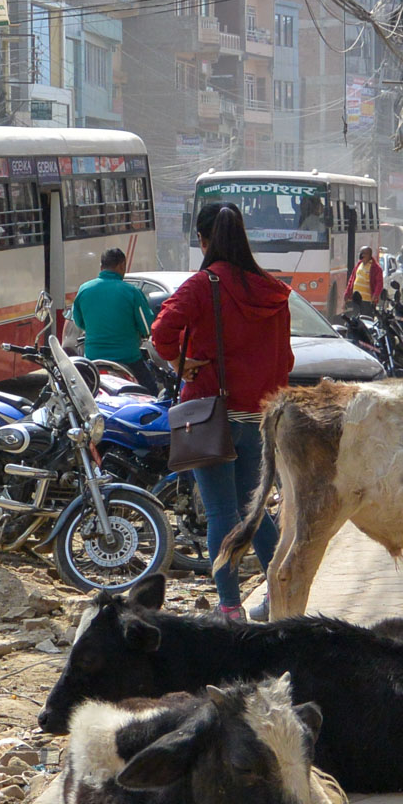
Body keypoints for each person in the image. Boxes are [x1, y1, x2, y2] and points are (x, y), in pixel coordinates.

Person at [149, 204, 293, 621]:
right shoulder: (274, 290)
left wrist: (180, 363)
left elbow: (161, 333)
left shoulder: (202, 285)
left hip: (211, 414)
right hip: (261, 418)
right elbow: (286, 359)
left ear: (202, 240)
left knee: (221, 514)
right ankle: (280, 595)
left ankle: (230, 606)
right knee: (254, 512)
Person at [72, 248, 159, 392]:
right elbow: (146, 327)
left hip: (93, 359)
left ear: (101, 267)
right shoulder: (132, 292)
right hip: (128, 359)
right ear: (122, 265)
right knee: (151, 392)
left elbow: (79, 322)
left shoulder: (84, 289)